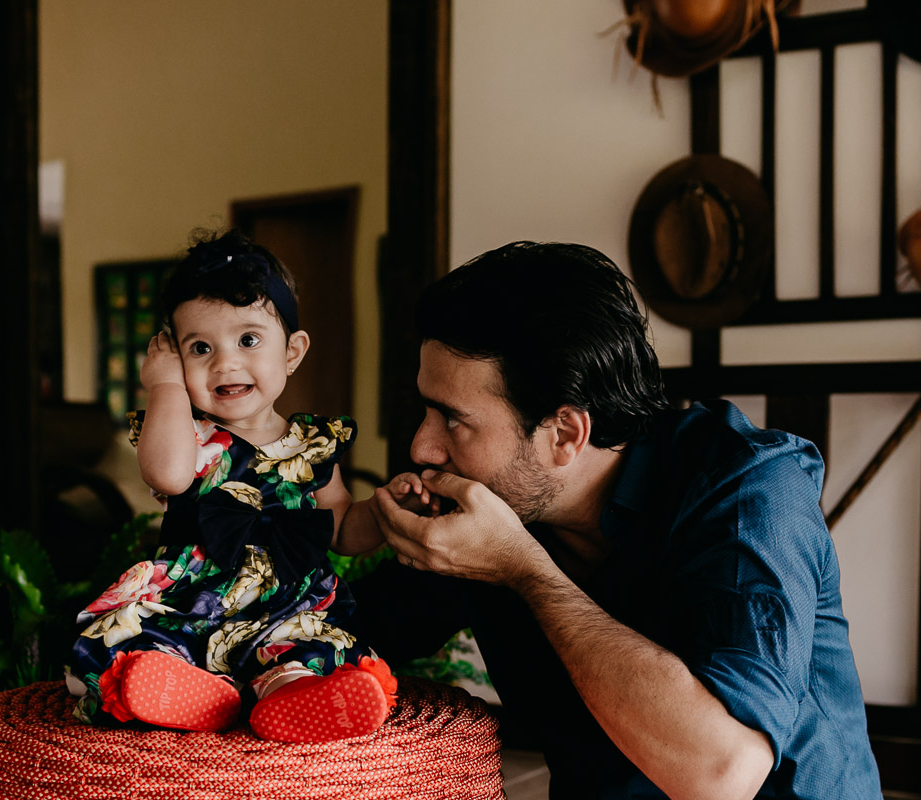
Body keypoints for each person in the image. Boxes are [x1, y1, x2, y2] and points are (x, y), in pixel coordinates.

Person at [359, 241, 883, 799]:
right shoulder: (496, 507)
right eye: (426, 409)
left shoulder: (748, 489)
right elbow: (355, 632)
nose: (422, 447)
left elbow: (721, 775)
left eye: (453, 419)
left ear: (565, 433)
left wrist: (525, 569)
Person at [67, 229, 397, 743]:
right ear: (176, 359)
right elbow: (169, 474)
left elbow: (343, 530)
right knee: (123, 638)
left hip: (286, 607)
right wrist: (165, 386)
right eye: (200, 348)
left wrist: (384, 508)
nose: (225, 363)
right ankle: (191, 694)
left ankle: (290, 690)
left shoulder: (312, 444)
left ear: (292, 352)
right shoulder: (186, 433)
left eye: (248, 340)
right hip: (191, 603)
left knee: (313, 647)